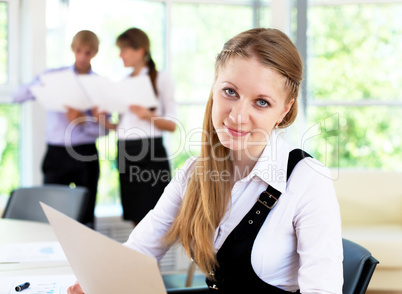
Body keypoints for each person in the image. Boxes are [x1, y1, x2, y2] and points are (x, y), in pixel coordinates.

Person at [68, 28, 343, 293]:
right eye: (230, 92)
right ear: (214, 86)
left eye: (261, 102)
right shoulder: (194, 172)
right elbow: (142, 248)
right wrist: (98, 284)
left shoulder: (307, 179)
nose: (237, 116)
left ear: (285, 108)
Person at [13, 30, 107, 229]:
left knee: (86, 213)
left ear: (95, 53)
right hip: (56, 154)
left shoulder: (100, 84)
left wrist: (83, 120)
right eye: (79, 51)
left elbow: (106, 129)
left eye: (88, 52)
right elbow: (17, 96)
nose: (82, 57)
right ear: (73, 49)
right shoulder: (53, 76)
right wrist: (43, 84)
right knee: (52, 213)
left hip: (85, 154)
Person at [93, 28, 177, 226]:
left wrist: (148, 115)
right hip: (125, 152)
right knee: (135, 218)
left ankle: (151, 259)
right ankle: (140, 258)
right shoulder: (124, 82)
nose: (120, 55)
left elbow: (172, 125)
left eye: (123, 50)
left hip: (150, 152)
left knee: (156, 218)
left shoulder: (162, 79)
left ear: (140, 51)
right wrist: (102, 120)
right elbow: (120, 126)